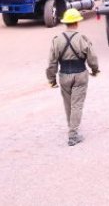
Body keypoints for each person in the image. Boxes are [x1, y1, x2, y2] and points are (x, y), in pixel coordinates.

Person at [46, 8, 99, 146]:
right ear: (77, 22)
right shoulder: (82, 38)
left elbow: (52, 62)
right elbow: (92, 57)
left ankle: (72, 127)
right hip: (80, 74)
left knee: (68, 103)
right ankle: (73, 135)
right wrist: (95, 70)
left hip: (63, 75)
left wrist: (52, 80)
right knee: (77, 105)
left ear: (65, 23)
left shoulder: (56, 40)